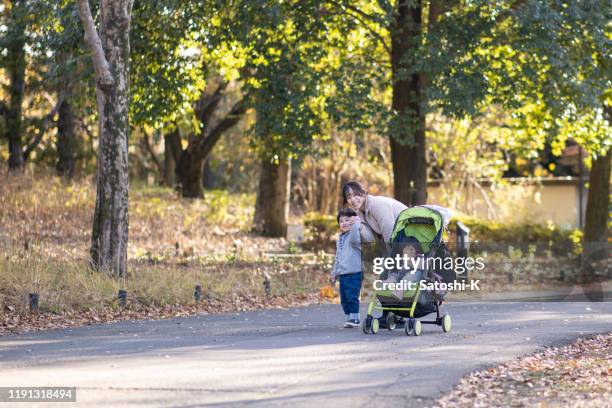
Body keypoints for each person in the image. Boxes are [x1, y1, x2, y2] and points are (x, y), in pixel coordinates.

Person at [330, 208, 368, 328]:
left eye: (347, 220)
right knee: (344, 299)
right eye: (341, 221)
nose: (344, 223)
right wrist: (334, 273)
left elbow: (354, 236)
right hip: (343, 273)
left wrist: (356, 223)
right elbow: (338, 257)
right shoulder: (340, 238)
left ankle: (355, 318)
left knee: (352, 296)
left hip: (355, 272)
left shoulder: (354, 237)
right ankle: (349, 318)